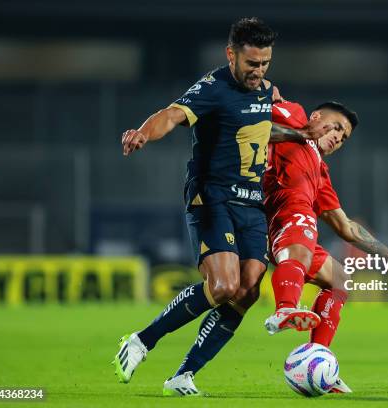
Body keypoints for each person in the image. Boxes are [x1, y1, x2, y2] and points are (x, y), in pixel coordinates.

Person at [113, 17, 281, 396]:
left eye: (265, 63)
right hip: (213, 195)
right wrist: (142, 133)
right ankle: (141, 340)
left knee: (249, 290)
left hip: (253, 204)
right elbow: (171, 115)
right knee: (223, 286)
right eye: (252, 63)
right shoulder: (213, 87)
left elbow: (275, 124)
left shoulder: (268, 91)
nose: (258, 71)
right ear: (231, 54)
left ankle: (182, 376)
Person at [263, 100, 388, 393]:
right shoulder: (294, 116)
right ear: (316, 116)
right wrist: (265, 92)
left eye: (344, 137)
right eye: (336, 127)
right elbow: (254, 126)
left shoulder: (319, 172)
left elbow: (347, 227)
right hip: (279, 211)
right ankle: (285, 308)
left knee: (340, 280)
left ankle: (316, 360)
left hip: (293, 222)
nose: (338, 137)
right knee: (302, 238)